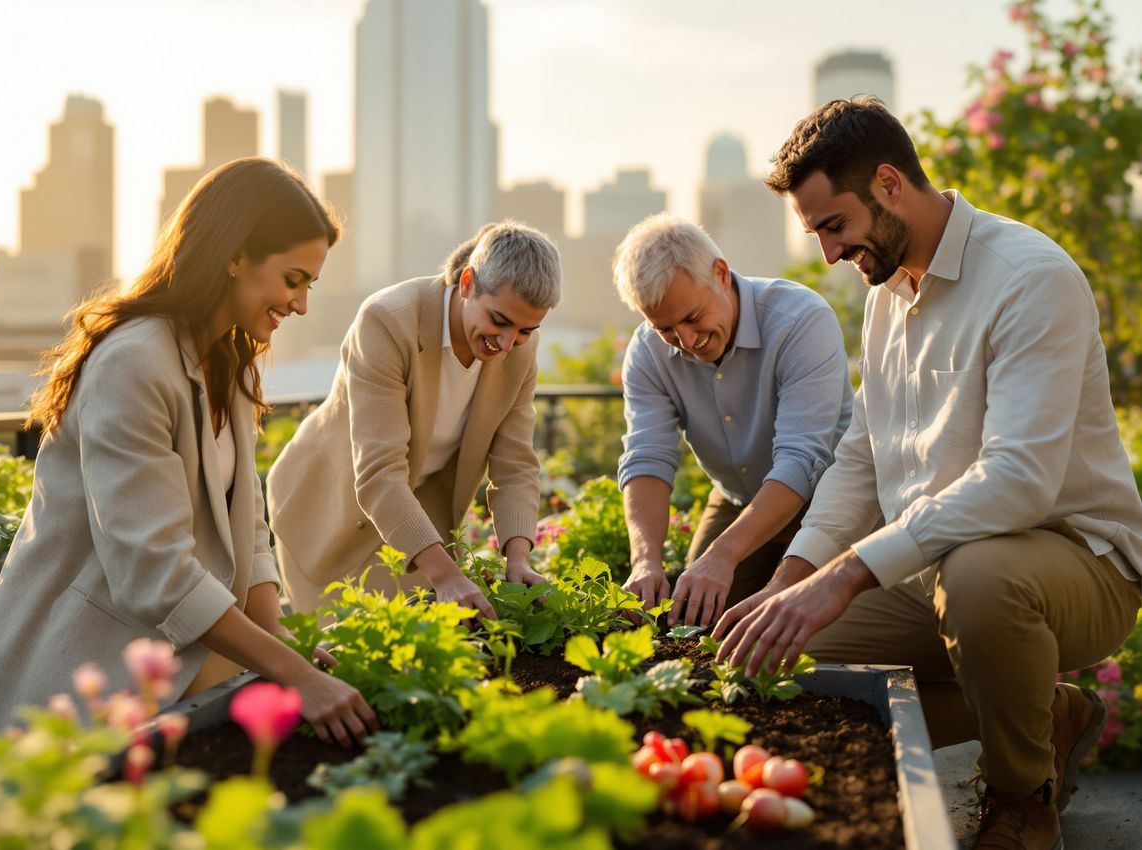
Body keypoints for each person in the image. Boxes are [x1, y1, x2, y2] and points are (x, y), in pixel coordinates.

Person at [713, 97, 1142, 849]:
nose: (828, 255)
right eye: (816, 233)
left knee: (982, 578)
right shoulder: (887, 299)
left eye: (832, 226)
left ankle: (1023, 798)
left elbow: (1018, 481)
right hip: (937, 565)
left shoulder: (1028, 277)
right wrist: (793, 579)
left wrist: (847, 573)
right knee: (789, 650)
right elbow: (862, 454)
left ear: (888, 184)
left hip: (1077, 562)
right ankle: (1044, 712)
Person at [0, 157, 379, 746]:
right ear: (235, 256)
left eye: (309, 284)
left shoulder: (227, 360)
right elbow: (153, 569)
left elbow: (248, 530)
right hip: (83, 672)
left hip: (173, 653)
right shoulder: (134, 361)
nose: (302, 304)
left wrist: (291, 647)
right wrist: (295, 674)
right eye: (293, 279)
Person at [267, 221, 561, 618]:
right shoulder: (387, 321)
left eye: (526, 330)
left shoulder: (520, 352)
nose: (507, 344)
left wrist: (518, 559)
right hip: (324, 520)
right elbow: (379, 473)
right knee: (345, 664)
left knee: (415, 663)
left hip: (417, 529)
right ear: (468, 282)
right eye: (500, 321)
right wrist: (446, 576)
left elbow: (516, 466)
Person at [612, 213, 852, 628]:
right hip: (737, 496)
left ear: (720, 274)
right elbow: (647, 457)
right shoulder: (648, 350)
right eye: (666, 328)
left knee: (791, 628)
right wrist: (645, 560)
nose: (686, 342)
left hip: (828, 501)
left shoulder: (801, 321)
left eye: (692, 317)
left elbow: (801, 460)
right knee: (691, 620)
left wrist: (722, 556)